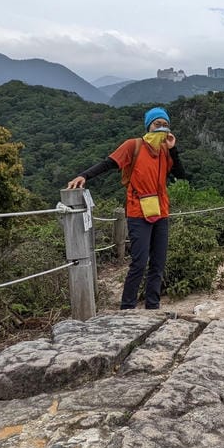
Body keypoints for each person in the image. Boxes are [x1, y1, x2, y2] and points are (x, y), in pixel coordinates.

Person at [66, 106, 187, 310]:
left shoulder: (165, 150)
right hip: (137, 212)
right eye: (157, 124)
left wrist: (173, 148)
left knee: (158, 262)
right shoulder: (133, 146)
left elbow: (181, 175)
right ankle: (127, 308)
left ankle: (153, 306)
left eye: (165, 125)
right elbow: (108, 163)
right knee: (139, 262)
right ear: (148, 126)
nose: (161, 128)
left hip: (161, 211)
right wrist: (84, 175)